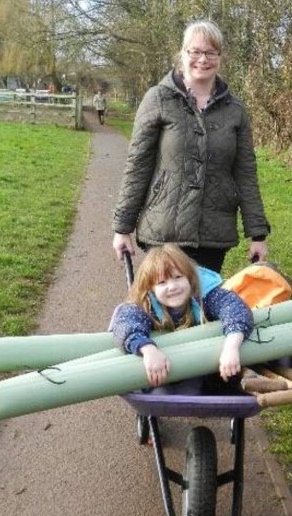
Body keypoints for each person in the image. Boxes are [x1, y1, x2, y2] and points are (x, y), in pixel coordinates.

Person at [112, 20, 271, 273]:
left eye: (211, 52)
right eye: (195, 51)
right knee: (164, 305)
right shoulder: (158, 99)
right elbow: (137, 165)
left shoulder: (235, 110)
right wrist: (122, 228)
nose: (202, 59)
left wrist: (258, 234)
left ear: (220, 57)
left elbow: (245, 174)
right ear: (182, 54)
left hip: (212, 234)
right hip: (164, 231)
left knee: (203, 308)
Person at [110, 244, 253, 393]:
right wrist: (148, 350)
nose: (172, 287)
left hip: (203, 362)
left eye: (178, 277)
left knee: (211, 385)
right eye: (162, 282)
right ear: (151, 289)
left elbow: (236, 310)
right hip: (163, 367)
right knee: (160, 392)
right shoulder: (146, 305)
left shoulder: (206, 295)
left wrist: (231, 347)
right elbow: (125, 323)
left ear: (190, 278)